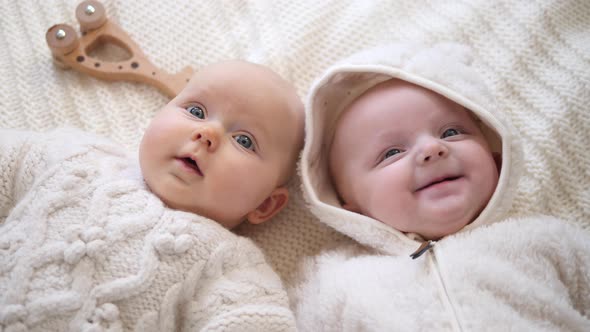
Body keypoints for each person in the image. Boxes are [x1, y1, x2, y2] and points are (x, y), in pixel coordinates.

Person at [294, 43, 590, 331]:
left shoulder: (544, 240)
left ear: (496, 157)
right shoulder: (340, 281)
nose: (432, 148)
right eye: (392, 152)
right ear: (348, 204)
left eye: (451, 132)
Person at [0, 60, 303, 331]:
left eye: (244, 141)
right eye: (196, 111)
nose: (208, 134)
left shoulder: (230, 264)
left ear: (265, 204)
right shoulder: (81, 157)